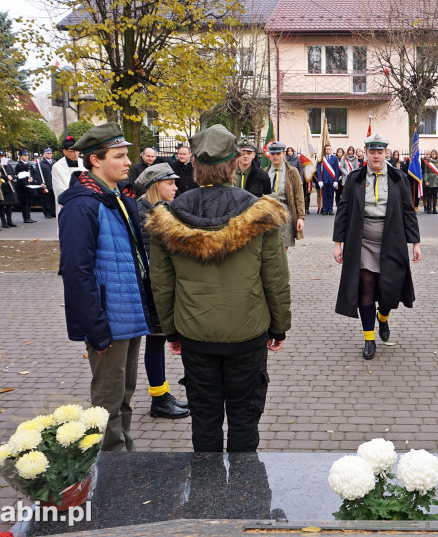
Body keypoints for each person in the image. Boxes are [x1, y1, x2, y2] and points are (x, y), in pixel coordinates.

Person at [145, 124, 291, 452]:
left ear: (195, 166)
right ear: (232, 163)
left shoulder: (168, 217)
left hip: (195, 334)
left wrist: (171, 332)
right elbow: (276, 278)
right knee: (244, 416)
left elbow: (162, 284)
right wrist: (279, 327)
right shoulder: (260, 213)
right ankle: (245, 493)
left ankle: (206, 496)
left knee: (205, 417)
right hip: (248, 333)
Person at [58, 122, 152, 452]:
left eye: (127, 155)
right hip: (108, 320)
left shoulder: (117, 198)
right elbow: (76, 272)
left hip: (128, 313)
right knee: (107, 402)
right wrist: (95, 328)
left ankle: (124, 458)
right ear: (96, 160)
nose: (128, 162)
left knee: (124, 395)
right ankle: (112, 472)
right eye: (120, 156)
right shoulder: (82, 205)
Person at [333, 133, 420, 360]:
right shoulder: (355, 178)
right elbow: (343, 210)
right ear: (366, 153)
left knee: (388, 288)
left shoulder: (398, 178)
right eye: (372, 152)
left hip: (392, 241)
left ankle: (383, 316)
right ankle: (369, 338)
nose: (376, 156)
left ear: (386, 154)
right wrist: (337, 243)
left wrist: (416, 243)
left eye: (380, 152)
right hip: (361, 240)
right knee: (366, 285)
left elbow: (408, 212)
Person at [132, 164, 189, 420]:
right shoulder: (142, 213)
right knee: (155, 342)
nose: (176, 188)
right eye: (170, 183)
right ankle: (159, 398)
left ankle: (164, 395)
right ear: (156, 186)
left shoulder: (161, 209)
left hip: (165, 286)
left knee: (161, 341)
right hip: (153, 288)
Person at [267, 141, 306, 249]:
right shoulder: (265, 172)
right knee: (269, 246)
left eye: (278, 154)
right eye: (273, 154)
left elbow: (299, 195)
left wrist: (301, 217)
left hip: (285, 211)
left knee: (283, 248)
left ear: (284, 154)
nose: (275, 156)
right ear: (269, 155)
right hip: (269, 213)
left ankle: (282, 266)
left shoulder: (292, 172)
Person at [52, 136, 85, 217]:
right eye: (72, 151)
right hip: (67, 204)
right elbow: (59, 189)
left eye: (77, 150)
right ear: (65, 152)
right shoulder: (57, 167)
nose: (76, 154)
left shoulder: (84, 163)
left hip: (85, 202)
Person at [13, 150, 37, 223]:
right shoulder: (19, 165)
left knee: (29, 203)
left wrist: (32, 178)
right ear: (20, 156)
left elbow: (33, 173)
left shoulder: (29, 165)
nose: (26, 157)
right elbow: (20, 176)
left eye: (27, 155)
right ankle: (26, 218)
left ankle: (29, 217)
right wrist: (27, 181)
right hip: (23, 187)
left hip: (30, 186)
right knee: (24, 203)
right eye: (24, 155)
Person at [0, 151, 18, 228]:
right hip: (2, 187)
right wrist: (5, 177)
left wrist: (12, 177)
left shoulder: (8, 165)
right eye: (1, 156)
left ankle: (9, 221)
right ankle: (3, 222)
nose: (3, 158)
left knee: (9, 205)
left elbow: (14, 174)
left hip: (9, 186)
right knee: (1, 205)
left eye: (3, 156)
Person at [317, 144, 340, 215]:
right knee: (324, 195)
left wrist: (336, 180)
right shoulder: (321, 158)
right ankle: (325, 209)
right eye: (326, 149)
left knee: (331, 195)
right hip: (324, 180)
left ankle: (330, 209)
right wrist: (320, 180)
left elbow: (337, 170)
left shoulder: (334, 158)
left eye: (329, 149)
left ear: (331, 150)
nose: (328, 150)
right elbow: (318, 170)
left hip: (332, 180)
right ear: (324, 150)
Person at [34, 148, 56, 218]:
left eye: (50, 153)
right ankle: (47, 213)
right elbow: (37, 174)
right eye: (47, 153)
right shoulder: (40, 163)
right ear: (44, 154)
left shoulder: (54, 162)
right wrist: (40, 182)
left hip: (53, 184)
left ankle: (53, 212)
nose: (49, 155)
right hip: (45, 184)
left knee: (53, 200)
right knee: (45, 200)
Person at [421, 149, 438, 214]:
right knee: (429, 195)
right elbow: (426, 172)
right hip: (429, 180)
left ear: (437, 155)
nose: (434, 155)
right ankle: (429, 208)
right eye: (432, 154)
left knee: (435, 196)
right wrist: (426, 181)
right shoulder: (428, 162)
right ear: (431, 155)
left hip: (436, 181)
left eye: (435, 154)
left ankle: (434, 208)